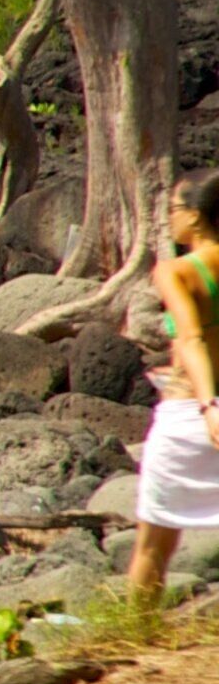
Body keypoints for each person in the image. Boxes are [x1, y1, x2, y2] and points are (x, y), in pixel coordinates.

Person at [129, 177, 219, 605]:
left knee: (153, 544)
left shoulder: (176, 271)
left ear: (196, 216)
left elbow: (190, 338)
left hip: (189, 417)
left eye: (174, 210)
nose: (169, 219)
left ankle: (135, 640)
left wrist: (209, 405)